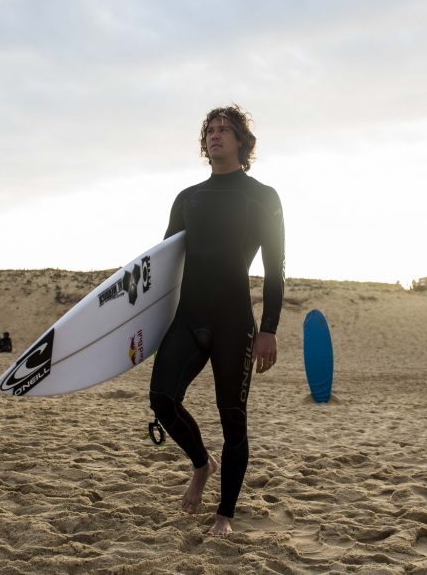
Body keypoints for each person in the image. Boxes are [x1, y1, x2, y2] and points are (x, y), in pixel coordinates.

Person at [149, 104, 285, 536]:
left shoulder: (262, 196)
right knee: (162, 399)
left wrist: (268, 329)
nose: (215, 135)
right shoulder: (187, 198)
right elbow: (163, 265)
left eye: (225, 129)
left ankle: (224, 514)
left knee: (233, 418)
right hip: (188, 317)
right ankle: (200, 464)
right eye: (210, 129)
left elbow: (275, 266)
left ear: (242, 142)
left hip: (234, 322)